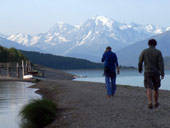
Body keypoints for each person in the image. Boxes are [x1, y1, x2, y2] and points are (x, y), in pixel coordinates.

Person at [138, 39, 164, 109]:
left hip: (147, 71)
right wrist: (162, 73)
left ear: (148, 44)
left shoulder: (144, 51)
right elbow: (161, 63)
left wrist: (140, 69)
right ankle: (156, 102)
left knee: (148, 87)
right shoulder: (158, 52)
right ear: (155, 44)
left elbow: (140, 61)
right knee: (156, 87)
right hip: (156, 72)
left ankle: (150, 102)